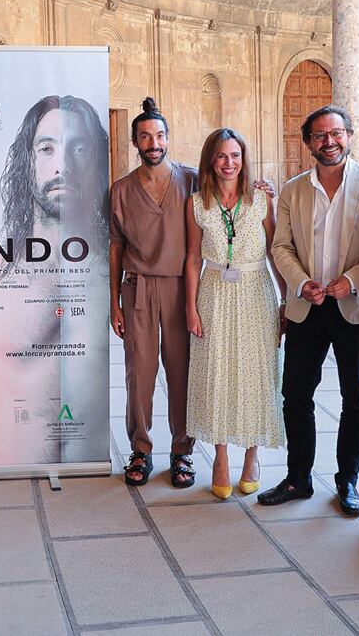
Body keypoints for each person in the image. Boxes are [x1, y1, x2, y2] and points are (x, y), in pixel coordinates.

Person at [0, 95, 110, 466]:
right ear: (25, 163)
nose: (62, 165)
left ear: (96, 162)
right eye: (46, 148)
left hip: (92, 486)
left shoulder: (115, 273)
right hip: (11, 483)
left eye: (78, 148)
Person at [260, 105, 359, 516]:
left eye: (336, 133)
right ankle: (298, 477)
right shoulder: (293, 190)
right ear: (308, 143)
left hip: (357, 306)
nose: (328, 141)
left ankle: (347, 481)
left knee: (357, 398)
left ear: (349, 136)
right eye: (319, 135)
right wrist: (301, 283)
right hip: (307, 305)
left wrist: (351, 279)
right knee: (295, 394)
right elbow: (280, 246)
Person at [185, 128, 286, 499]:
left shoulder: (261, 199)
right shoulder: (196, 203)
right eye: (221, 156)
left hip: (255, 291)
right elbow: (193, 257)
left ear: (244, 159)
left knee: (256, 372)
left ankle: (252, 456)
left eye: (235, 156)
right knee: (217, 373)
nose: (229, 163)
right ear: (211, 161)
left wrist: (286, 300)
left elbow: (276, 250)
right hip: (213, 293)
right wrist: (190, 307)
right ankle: (221, 457)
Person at [109, 98, 199, 488]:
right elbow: (114, 248)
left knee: (182, 372)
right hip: (138, 288)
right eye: (145, 137)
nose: (153, 143)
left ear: (168, 137)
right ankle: (141, 449)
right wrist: (114, 300)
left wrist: (260, 190)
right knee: (139, 374)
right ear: (135, 142)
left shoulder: (193, 181)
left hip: (183, 287)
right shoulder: (121, 190)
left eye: (159, 135)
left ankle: (182, 451)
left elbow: (232, 199)